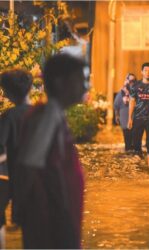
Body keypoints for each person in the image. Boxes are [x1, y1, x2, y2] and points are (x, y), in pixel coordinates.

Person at [14, 54, 87, 248]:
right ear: (60, 82)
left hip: (57, 215)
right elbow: (27, 165)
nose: (84, 87)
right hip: (51, 219)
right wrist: (22, 207)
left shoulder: (53, 114)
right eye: (79, 80)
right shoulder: (47, 116)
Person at [0, 69, 33, 246]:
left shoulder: (9, 117)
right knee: (31, 227)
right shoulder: (42, 114)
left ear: (9, 93)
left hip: (12, 177)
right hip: (37, 179)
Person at [128, 62, 149, 167]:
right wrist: (130, 118)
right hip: (138, 117)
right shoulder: (136, 85)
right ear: (141, 72)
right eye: (145, 70)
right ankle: (138, 156)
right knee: (136, 139)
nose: (148, 72)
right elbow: (132, 101)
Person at [114, 73, 136, 153]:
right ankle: (128, 149)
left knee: (134, 134)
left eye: (133, 80)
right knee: (127, 135)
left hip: (134, 116)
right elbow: (116, 105)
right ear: (126, 81)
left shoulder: (137, 92)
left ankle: (134, 150)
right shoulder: (121, 93)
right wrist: (116, 116)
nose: (131, 82)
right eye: (130, 80)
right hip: (124, 116)